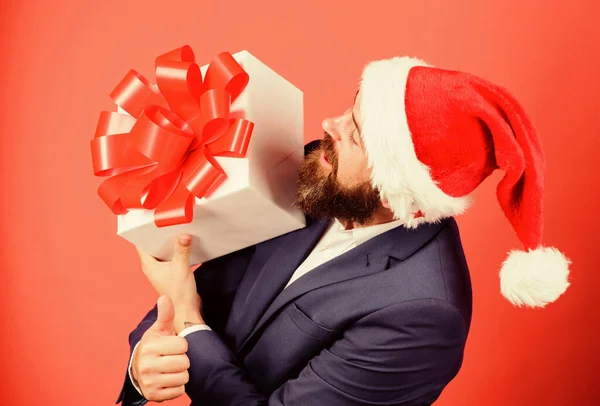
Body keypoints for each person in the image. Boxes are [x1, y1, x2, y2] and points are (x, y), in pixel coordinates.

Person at [116, 56, 571, 406]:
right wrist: (145, 362)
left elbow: (187, 302)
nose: (328, 126)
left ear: (398, 190)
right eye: (349, 113)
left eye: (355, 134)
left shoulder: (423, 315)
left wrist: (188, 319)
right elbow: (199, 291)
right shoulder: (323, 184)